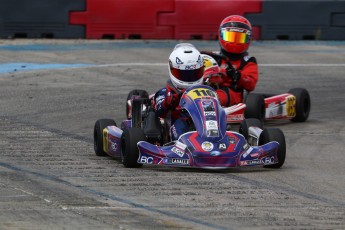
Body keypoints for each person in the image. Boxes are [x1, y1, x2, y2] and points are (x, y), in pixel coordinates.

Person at [202, 15, 259, 107]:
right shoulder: (212, 57)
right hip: (207, 89)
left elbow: (250, 85)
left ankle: (208, 105)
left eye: (239, 38)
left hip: (232, 94)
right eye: (230, 37)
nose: (235, 42)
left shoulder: (248, 61)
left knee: (220, 94)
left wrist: (237, 75)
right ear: (221, 35)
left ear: (248, 39)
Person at [154, 43, 204, 141]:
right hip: (176, 124)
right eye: (185, 75)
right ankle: (182, 147)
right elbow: (158, 111)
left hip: (203, 121)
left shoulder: (205, 90)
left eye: (195, 74)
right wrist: (171, 101)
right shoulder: (165, 92)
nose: (190, 79)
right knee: (180, 124)